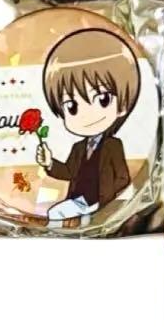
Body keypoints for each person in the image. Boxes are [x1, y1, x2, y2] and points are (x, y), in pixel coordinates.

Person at [35, 28, 140, 224]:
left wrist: (111, 200)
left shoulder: (113, 145)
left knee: (57, 214)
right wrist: (49, 162)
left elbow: (123, 178)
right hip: (79, 201)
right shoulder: (78, 148)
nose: (87, 114)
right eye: (71, 106)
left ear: (123, 105)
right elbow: (68, 172)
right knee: (62, 216)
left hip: (101, 202)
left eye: (103, 99)